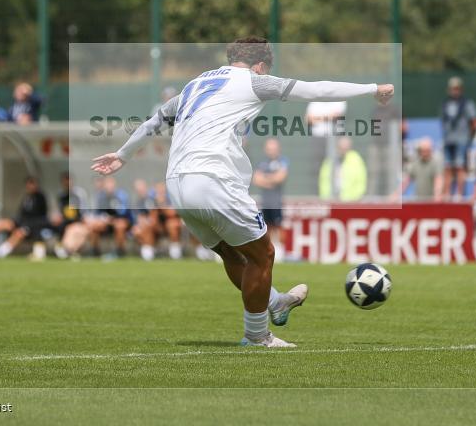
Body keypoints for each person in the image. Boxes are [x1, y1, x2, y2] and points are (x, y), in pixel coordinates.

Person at [92, 36, 395, 348]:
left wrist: (123, 155)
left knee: (232, 253)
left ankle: (275, 301)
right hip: (212, 180)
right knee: (264, 255)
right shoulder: (253, 81)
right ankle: (257, 336)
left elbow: (155, 121)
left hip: (178, 184)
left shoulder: (196, 84)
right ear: (260, 66)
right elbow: (315, 90)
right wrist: (372, 89)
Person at [0, 176, 55, 259]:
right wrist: (15, 222)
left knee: (19, 233)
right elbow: (21, 214)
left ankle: (1, 252)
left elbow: (40, 217)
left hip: (33, 227)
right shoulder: (27, 197)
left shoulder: (40, 198)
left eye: (32, 184)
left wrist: (25, 226)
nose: (30, 186)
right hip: (22, 223)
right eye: (29, 184)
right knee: (4, 224)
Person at [440, 77, 476, 199]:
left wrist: (469, 137)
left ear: (461, 89)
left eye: (457, 88)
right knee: (447, 167)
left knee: (460, 166)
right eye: (453, 88)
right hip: (448, 140)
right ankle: (447, 194)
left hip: (462, 140)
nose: (455, 90)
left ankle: (459, 194)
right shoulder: (445, 103)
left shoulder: (467, 103)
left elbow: (474, 122)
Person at [252, 138, 289, 258]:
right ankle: (269, 249)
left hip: (276, 202)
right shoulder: (262, 163)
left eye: (273, 148)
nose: (271, 151)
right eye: (269, 149)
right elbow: (256, 180)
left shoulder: (282, 161)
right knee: (267, 227)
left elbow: (280, 178)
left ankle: (280, 250)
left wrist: (265, 178)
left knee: (278, 226)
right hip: (265, 202)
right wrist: (272, 179)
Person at [88, 176, 133, 258]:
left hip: (120, 220)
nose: (109, 186)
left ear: (114, 185)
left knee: (120, 226)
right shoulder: (101, 197)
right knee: (94, 226)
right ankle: (95, 251)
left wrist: (112, 219)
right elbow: (97, 213)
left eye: (111, 184)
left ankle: (120, 251)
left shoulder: (121, 195)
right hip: (106, 222)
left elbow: (123, 212)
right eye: (107, 184)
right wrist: (103, 219)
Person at [53, 172, 91, 259]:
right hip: (65, 223)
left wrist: (85, 221)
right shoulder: (61, 196)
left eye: (69, 180)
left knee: (73, 231)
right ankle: (67, 250)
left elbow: (84, 212)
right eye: (65, 181)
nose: (67, 183)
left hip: (78, 223)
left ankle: (67, 250)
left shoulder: (79, 194)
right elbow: (59, 212)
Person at [318, 137, 368, 202]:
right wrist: (325, 197)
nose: (343, 150)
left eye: (345, 148)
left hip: (350, 201)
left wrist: (356, 197)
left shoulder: (356, 160)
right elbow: (324, 180)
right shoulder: (330, 160)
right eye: (341, 148)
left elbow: (361, 181)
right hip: (331, 200)